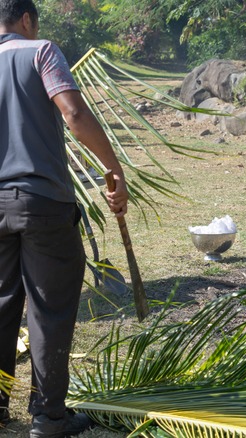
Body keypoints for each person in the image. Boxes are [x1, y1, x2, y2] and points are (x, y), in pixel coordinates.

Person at [0, 0, 128, 436]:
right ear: (27, 19)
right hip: (41, 203)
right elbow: (73, 113)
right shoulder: (40, 51)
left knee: (0, 306)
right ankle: (48, 415)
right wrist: (114, 168)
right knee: (49, 308)